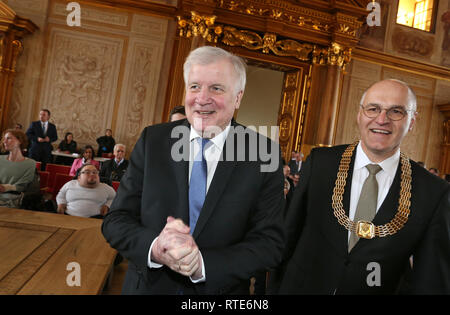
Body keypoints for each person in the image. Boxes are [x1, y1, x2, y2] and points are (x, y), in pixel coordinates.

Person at [102, 46, 285, 295]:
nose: (202, 98)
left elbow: (269, 244)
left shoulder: (263, 153)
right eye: (195, 86)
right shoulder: (153, 141)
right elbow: (116, 220)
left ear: (238, 97)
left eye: (216, 88)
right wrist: (156, 248)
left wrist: (202, 265)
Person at [273, 79, 450, 294]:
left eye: (396, 111)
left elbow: (430, 278)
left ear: (412, 121)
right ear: (359, 115)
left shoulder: (432, 191)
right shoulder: (321, 163)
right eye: (373, 109)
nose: (382, 119)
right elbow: (287, 239)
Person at [0, 129, 37, 208]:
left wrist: (6, 187)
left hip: (14, 201)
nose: (4, 141)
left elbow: (22, 186)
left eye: (9, 138)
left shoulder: (30, 163)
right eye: (4, 139)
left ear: (19, 141)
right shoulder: (0, 159)